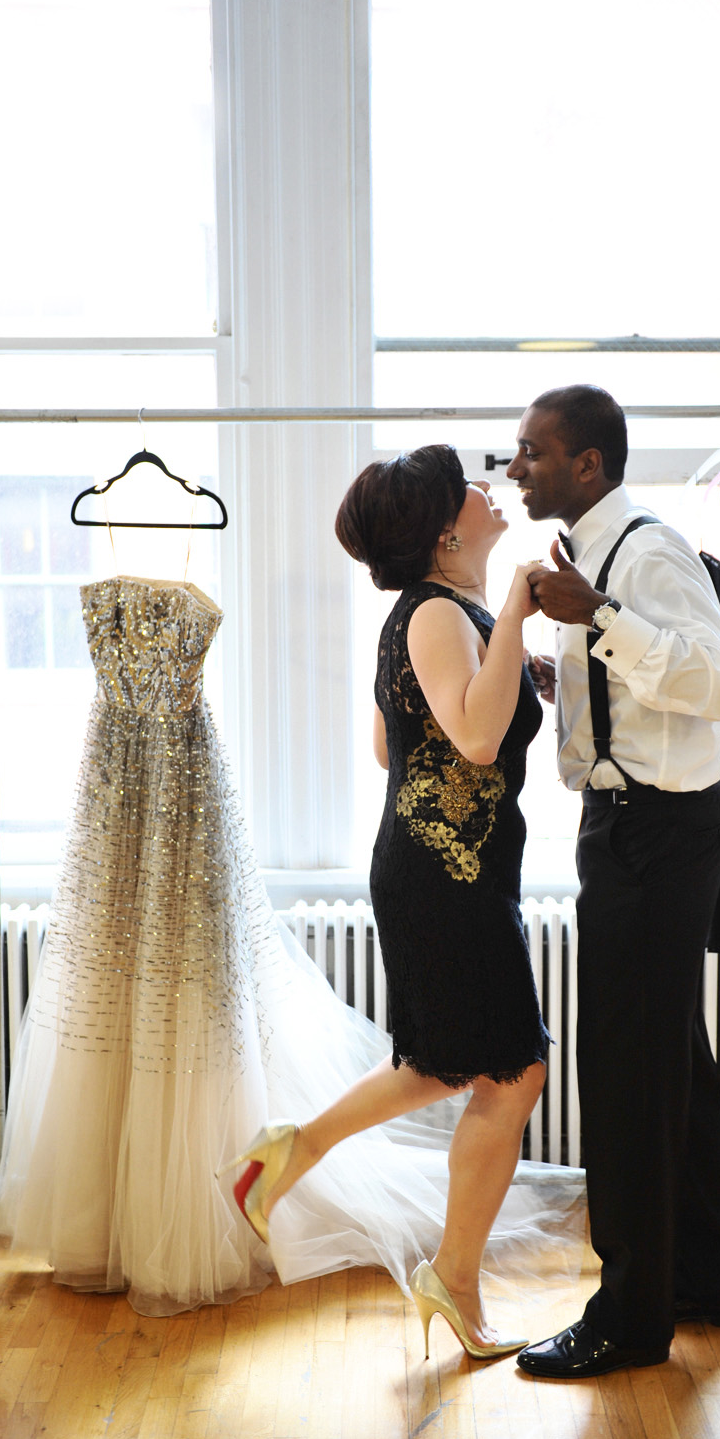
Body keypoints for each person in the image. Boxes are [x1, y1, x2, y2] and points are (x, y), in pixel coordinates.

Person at [227, 444, 553, 1359]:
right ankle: (452, 1278)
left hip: (448, 868)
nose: (493, 491)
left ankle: (290, 1152)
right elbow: (480, 741)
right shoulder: (441, 613)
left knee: (448, 1062)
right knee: (512, 1071)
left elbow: (394, 744)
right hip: (443, 875)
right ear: (448, 528)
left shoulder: (444, 615)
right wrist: (519, 624)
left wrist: (511, 647)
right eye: (472, 488)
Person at [506, 385, 720, 1380]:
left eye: (532, 452)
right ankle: (710, 1280)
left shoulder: (642, 556)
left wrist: (599, 616)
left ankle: (628, 1318)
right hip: (625, 825)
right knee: (668, 1065)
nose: (515, 465)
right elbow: (640, 691)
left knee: (624, 1074)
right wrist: (565, 673)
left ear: (588, 466)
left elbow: (716, 687)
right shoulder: (584, 560)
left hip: (657, 834)